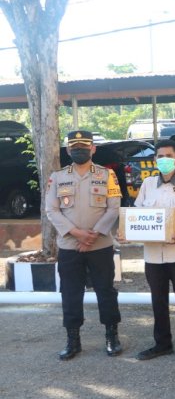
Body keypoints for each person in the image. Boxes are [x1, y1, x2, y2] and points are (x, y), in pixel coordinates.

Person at [46, 130, 123, 360]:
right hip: (70, 246)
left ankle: (112, 336)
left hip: (100, 246)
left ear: (93, 149)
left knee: (106, 291)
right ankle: (73, 340)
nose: (79, 150)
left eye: (84, 146)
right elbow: (52, 209)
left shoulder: (107, 175)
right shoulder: (57, 177)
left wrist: (94, 235)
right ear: (68, 150)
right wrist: (78, 234)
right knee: (70, 293)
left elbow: (113, 207)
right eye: (74, 147)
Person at [132, 140, 175, 363]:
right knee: (158, 300)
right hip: (153, 254)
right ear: (155, 160)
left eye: (168, 155)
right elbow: (136, 216)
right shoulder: (147, 184)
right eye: (159, 156)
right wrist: (128, 232)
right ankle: (162, 343)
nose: (163, 159)